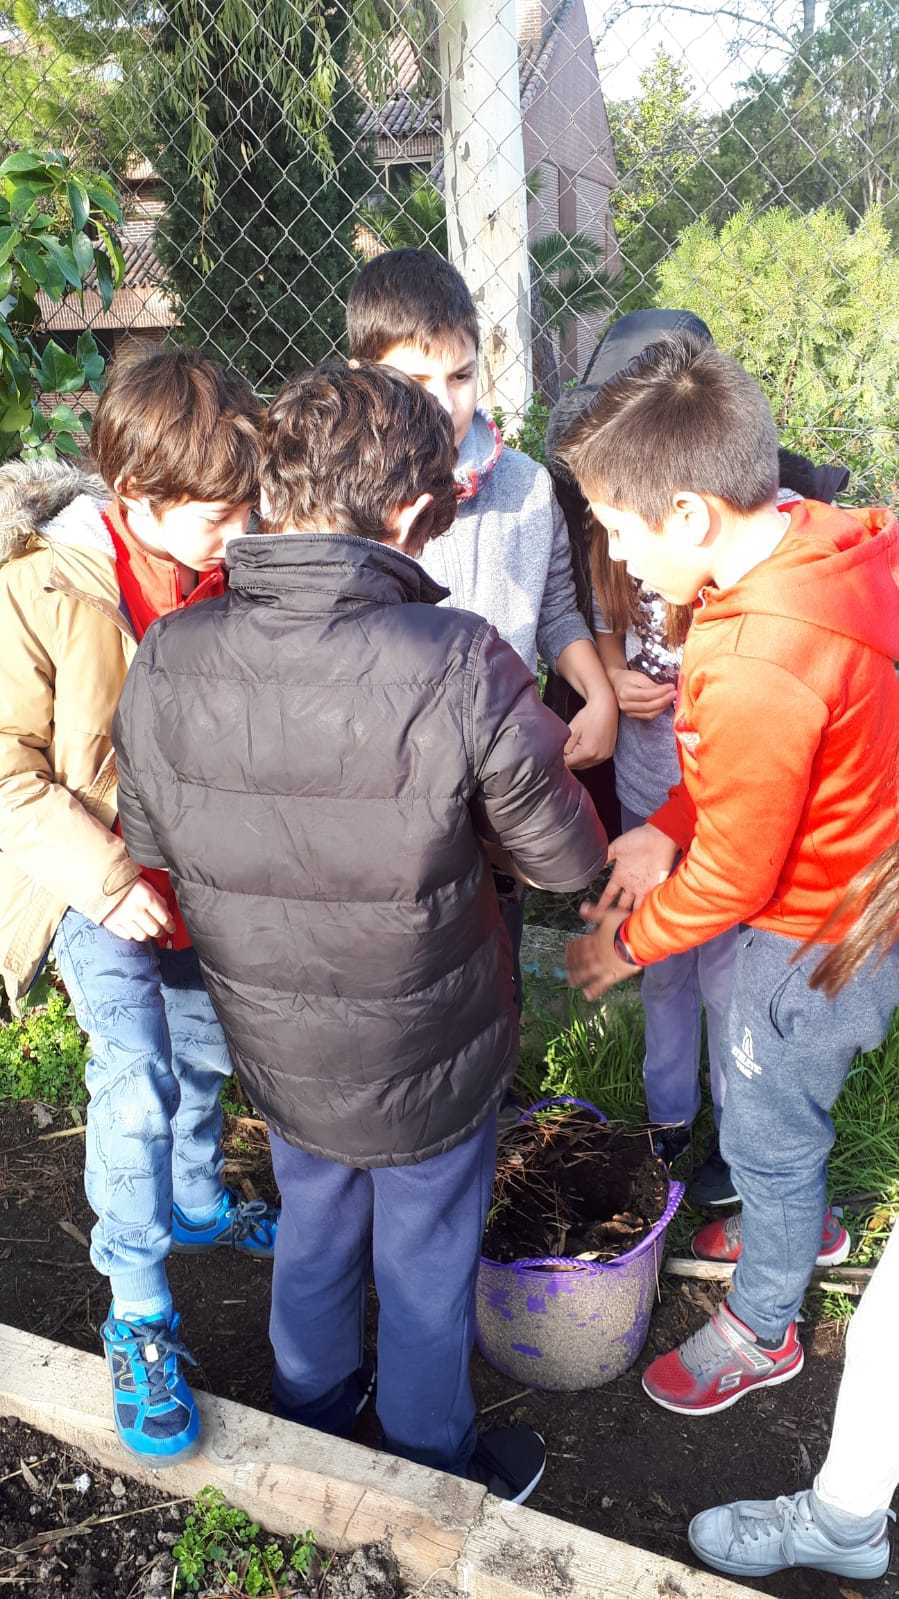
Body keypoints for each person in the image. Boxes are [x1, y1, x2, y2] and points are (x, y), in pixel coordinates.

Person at [112, 362, 607, 1499]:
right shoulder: (461, 660)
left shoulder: (173, 652)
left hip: (276, 1033)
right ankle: (427, 1454)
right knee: (426, 1252)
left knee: (315, 1218)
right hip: (430, 1043)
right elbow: (564, 858)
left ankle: (314, 1410)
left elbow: (152, 834)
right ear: (407, 510)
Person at [560, 331, 899, 1416]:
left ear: (689, 514)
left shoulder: (759, 655)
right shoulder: (819, 544)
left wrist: (624, 944)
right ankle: (789, 1214)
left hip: (807, 939)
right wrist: (665, 822)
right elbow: (757, 774)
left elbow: (733, 883)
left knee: (763, 1119)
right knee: (780, 1124)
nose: (616, 554)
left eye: (618, 528)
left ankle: (762, 1324)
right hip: (852, 892)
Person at [0, 349, 277, 1467]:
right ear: (135, 497)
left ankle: (198, 1199)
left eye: (250, 505)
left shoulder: (237, 573)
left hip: (203, 880)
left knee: (206, 1054)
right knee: (134, 1084)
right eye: (218, 514)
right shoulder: (41, 590)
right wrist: (110, 884)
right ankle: (139, 1310)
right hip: (94, 884)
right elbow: (8, 773)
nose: (241, 530)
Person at [547, 309, 851, 1208]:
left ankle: (743, 1141)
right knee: (670, 975)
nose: (617, 545)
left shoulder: (756, 616)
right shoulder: (620, 530)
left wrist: (622, 943)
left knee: (723, 970)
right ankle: (668, 1120)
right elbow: (603, 617)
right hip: (659, 776)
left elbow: (733, 861)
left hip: (733, 792)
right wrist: (612, 678)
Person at [346, 249, 617, 1006]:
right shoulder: (341, 495)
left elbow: (555, 609)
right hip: (384, 778)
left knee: (495, 959)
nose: (443, 404)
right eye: (415, 381)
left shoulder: (526, 488)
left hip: (495, 775)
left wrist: (598, 694)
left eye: (461, 377)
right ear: (363, 375)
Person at [689, 842, 898, 1581]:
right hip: (831, 904)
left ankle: (763, 1328)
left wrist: (642, 932)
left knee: (770, 1140)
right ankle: (794, 1231)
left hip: (824, 919)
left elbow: (753, 808)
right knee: (773, 1128)